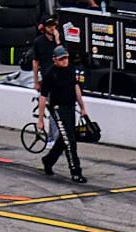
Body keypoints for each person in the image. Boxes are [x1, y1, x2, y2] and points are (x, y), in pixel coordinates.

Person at [37, 46, 87, 183]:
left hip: (70, 107)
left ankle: (48, 160)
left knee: (65, 139)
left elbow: (76, 88)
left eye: (66, 58)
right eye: (61, 59)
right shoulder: (50, 73)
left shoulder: (71, 69)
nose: (65, 61)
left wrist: (83, 107)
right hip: (58, 108)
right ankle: (76, 172)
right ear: (55, 60)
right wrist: (40, 119)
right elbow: (43, 97)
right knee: (70, 141)